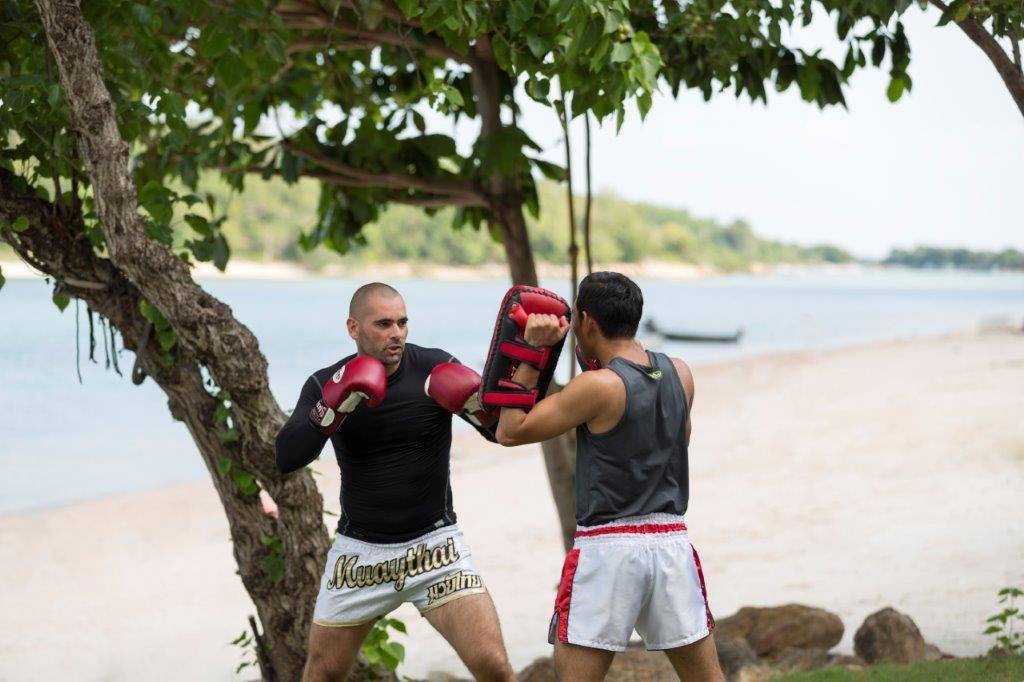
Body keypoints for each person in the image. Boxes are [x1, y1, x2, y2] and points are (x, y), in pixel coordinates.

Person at [276, 282, 515, 682]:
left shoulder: (435, 368)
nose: (397, 334)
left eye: (402, 322)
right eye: (383, 324)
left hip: (435, 550)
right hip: (360, 556)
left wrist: (478, 403)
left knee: (493, 665)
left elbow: (500, 432)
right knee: (321, 673)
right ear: (354, 328)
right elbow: (286, 457)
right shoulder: (325, 382)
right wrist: (332, 406)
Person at [494, 272, 724, 681]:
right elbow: (677, 442)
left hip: (609, 548)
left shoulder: (597, 386)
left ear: (587, 320)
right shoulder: (681, 373)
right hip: (672, 544)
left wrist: (533, 350)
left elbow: (510, 430)